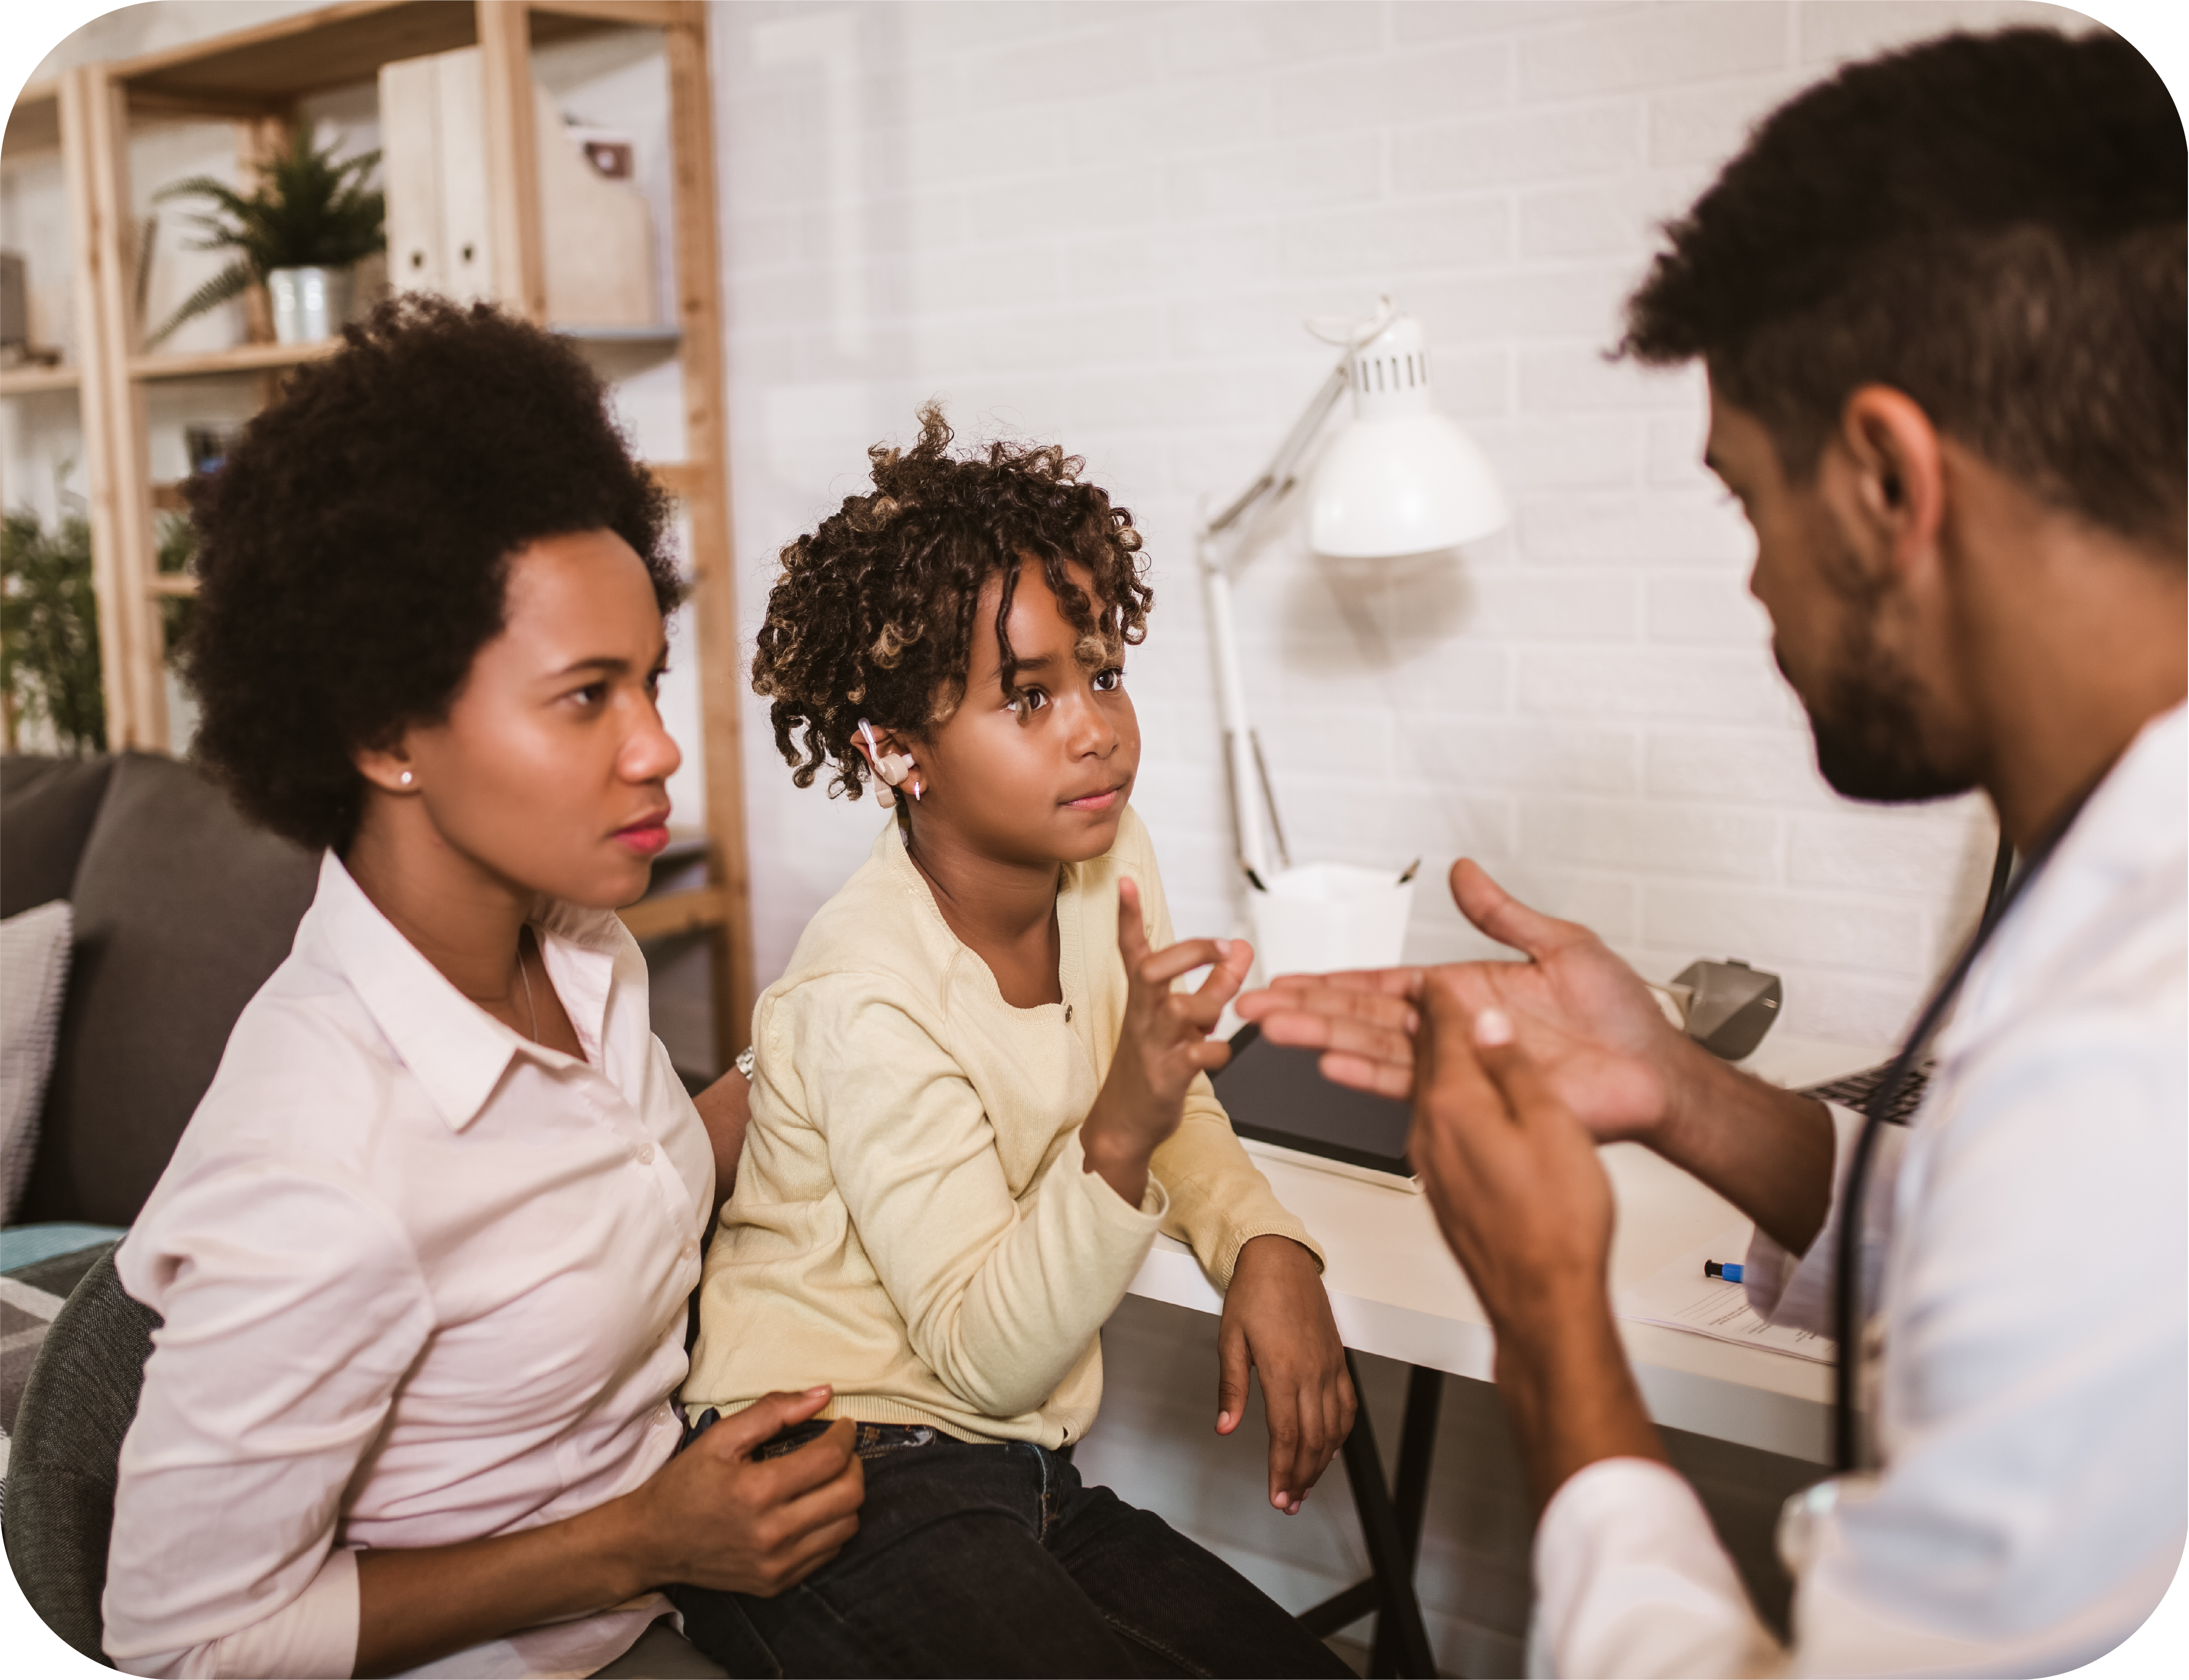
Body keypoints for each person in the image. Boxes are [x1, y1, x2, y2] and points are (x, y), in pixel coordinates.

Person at [1238, 26, 2185, 1679]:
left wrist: (1548, 1319)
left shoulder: (2118, 1057)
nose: (1756, 593)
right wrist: (1677, 1089)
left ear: (1889, 479)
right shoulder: (2112, 924)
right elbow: (1993, 1236)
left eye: (1750, 505)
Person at [102, 297, 862, 1680]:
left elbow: (601, 1192)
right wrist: (640, 1539)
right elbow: (180, 1648)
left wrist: (817, 1058)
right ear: (389, 731)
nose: (656, 752)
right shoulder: (318, 1174)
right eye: (586, 698)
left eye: (649, 681)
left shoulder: (578, 947)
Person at [667, 408, 1357, 1679]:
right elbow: (982, 1351)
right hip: (827, 1471)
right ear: (893, 749)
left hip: (1011, 1468)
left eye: (1100, 671)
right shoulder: (862, 988)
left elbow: (1165, 1094)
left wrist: (1262, 1241)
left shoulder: (1101, 862)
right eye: (1026, 696)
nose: (1092, 726)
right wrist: (1119, 1126)